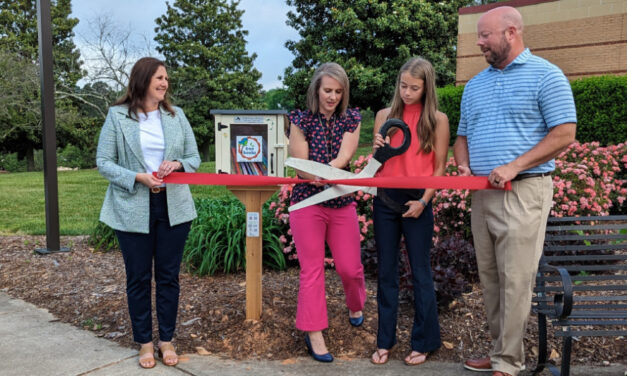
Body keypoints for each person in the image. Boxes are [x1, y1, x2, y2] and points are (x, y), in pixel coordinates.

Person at [453, 6, 576, 376]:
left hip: (524, 191)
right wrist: (463, 164)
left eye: (485, 35)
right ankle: (498, 352)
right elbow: (462, 137)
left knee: (516, 280)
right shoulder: (475, 85)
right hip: (482, 195)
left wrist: (514, 166)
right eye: (478, 36)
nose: (479, 43)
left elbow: (565, 133)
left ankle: (507, 363)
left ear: (511, 33)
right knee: (490, 279)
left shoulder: (547, 76)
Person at [96, 57, 200, 369]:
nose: (165, 83)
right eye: (159, 78)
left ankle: (166, 339)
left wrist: (177, 164)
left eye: (166, 78)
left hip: (174, 206)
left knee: (168, 277)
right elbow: (104, 162)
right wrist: (137, 177)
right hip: (132, 206)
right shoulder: (117, 116)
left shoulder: (176, 115)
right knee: (138, 278)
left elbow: (194, 156)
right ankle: (144, 343)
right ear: (142, 80)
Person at [369, 57, 449, 366]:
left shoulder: (437, 120)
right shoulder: (384, 116)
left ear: (427, 87)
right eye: (403, 86)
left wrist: (424, 201)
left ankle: (425, 341)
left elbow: (439, 168)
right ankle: (384, 341)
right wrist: (376, 148)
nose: (407, 92)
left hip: (419, 198)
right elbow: (374, 167)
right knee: (386, 272)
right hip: (385, 198)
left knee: (420, 272)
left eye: (414, 88)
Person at [287, 62, 367, 363]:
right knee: (312, 270)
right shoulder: (300, 119)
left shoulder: (352, 118)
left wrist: (327, 172)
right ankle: (314, 332)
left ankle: (355, 302)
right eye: (327, 91)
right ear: (316, 90)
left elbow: (346, 155)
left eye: (337, 91)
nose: (332, 97)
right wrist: (314, 175)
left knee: (350, 267)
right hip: (308, 201)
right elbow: (299, 162)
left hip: (340, 199)